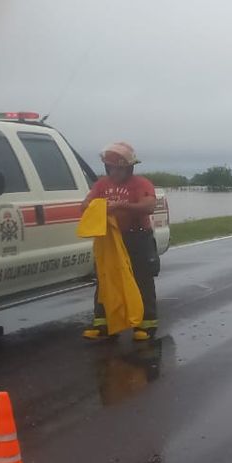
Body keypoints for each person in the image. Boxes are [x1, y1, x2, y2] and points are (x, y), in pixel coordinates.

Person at [81, 142, 160, 341]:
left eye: (120, 168)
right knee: (106, 279)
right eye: (111, 167)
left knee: (142, 279)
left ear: (129, 168)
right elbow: (86, 205)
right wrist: (91, 206)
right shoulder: (101, 185)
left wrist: (122, 206)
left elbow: (149, 205)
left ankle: (146, 324)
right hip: (111, 240)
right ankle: (103, 324)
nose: (115, 172)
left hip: (137, 237)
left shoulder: (141, 184)